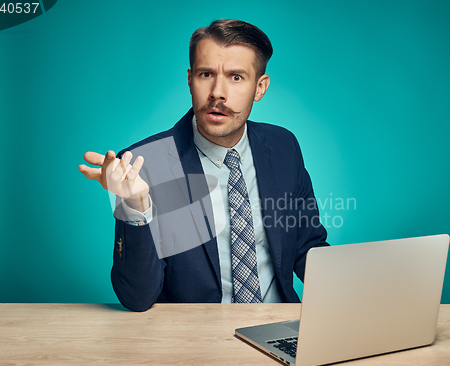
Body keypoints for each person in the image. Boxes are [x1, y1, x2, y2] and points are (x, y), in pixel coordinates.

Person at [79, 19, 328, 312]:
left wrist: (355, 292)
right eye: (206, 74)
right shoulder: (144, 165)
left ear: (259, 87)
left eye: (236, 77)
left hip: (278, 328)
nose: (217, 93)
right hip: (194, 341)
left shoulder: (284, 147)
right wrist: (135, 207)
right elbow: (137, 297)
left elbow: (305, 246)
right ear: (190, 79)